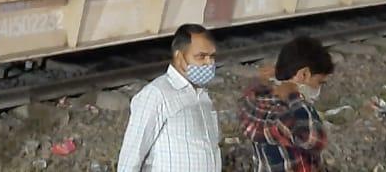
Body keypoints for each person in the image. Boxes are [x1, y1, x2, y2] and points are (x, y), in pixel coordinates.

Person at [117, 23, 221, 172]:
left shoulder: (203, 97)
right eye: (201, 57)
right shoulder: (156, 94)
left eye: (212, 57)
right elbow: (131, 156)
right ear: (179, 57)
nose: (209, 63)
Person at [239, 36, 333, 172]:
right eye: (319, 82)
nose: (319, 88)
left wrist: (262, 81)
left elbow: (248, 99)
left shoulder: (256, 100)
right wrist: (294, 97)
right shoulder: (295, 110)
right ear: (304, 74)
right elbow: (316, 141)